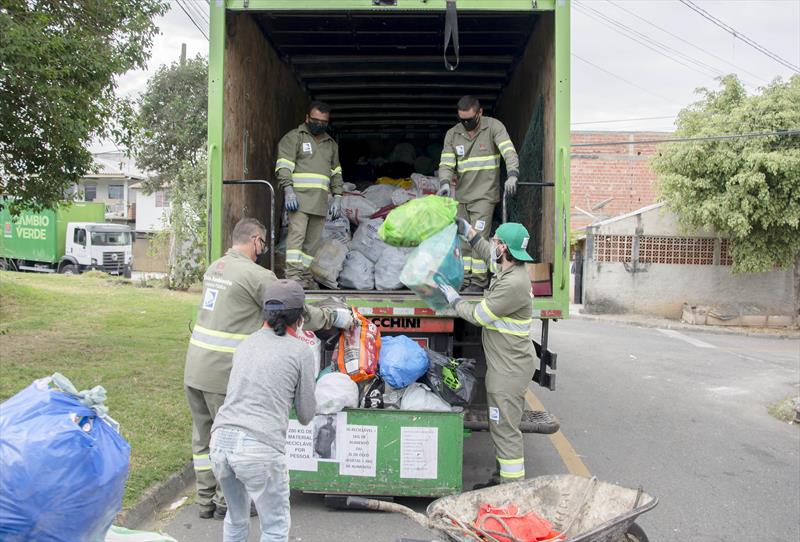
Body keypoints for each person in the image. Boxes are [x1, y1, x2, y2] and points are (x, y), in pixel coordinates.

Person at [184, 218, 353, 520]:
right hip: (223, 369)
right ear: (256, 241)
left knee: (203, 438)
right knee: (228, 434)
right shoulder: (256, 274)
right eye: (262, 243)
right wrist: (331, 318)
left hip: (195, 367)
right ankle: (226, 504)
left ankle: (204, 501)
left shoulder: (216, 268)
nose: (262, 249)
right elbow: (291, 310)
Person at [210, 279, 316, 542]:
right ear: (299, 318)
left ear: (265, 313)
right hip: (260, 447)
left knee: (236, 519)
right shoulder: (301, 351)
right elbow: (305, 415)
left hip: (221, 443)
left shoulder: (246, 343)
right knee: (274, 528)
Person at [438, 219, 535, 487]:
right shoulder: (509, 270)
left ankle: (511, 490)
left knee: (505, 429)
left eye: (495, 241)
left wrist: (454, 300)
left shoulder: (512, 284)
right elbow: (484, 253)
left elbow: (479, 315)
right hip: (507, 366)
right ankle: (502, 478)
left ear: (503, 248)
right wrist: (468, 230)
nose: (491, 245)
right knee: (500, 425)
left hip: (509, 370)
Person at [437, 96, 520, 293]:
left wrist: (513, 174)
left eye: (470, 120)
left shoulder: (493, 127)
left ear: (480, 113)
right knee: (464, 241)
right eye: (462, 120)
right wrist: (445, 183)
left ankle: (479, 282)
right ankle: (464, 280)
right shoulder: (453, 134)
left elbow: (509, 151)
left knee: (479, 238)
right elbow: (446, 163)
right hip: (462, 197)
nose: (466, 124)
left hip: (484, 196)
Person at [275, 101, 344, 289]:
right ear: (307, 118)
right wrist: (288, 190)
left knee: (312, 244)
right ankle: (293, 276)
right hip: (298, 200)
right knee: (296, 238)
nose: (319, 124)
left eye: (323, 121)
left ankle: (304, 275)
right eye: (315, 120)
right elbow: (283, 166)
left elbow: (336, 172)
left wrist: (337, 196)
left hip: (320, 202)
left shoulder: (331, 144)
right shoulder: (294, 138)